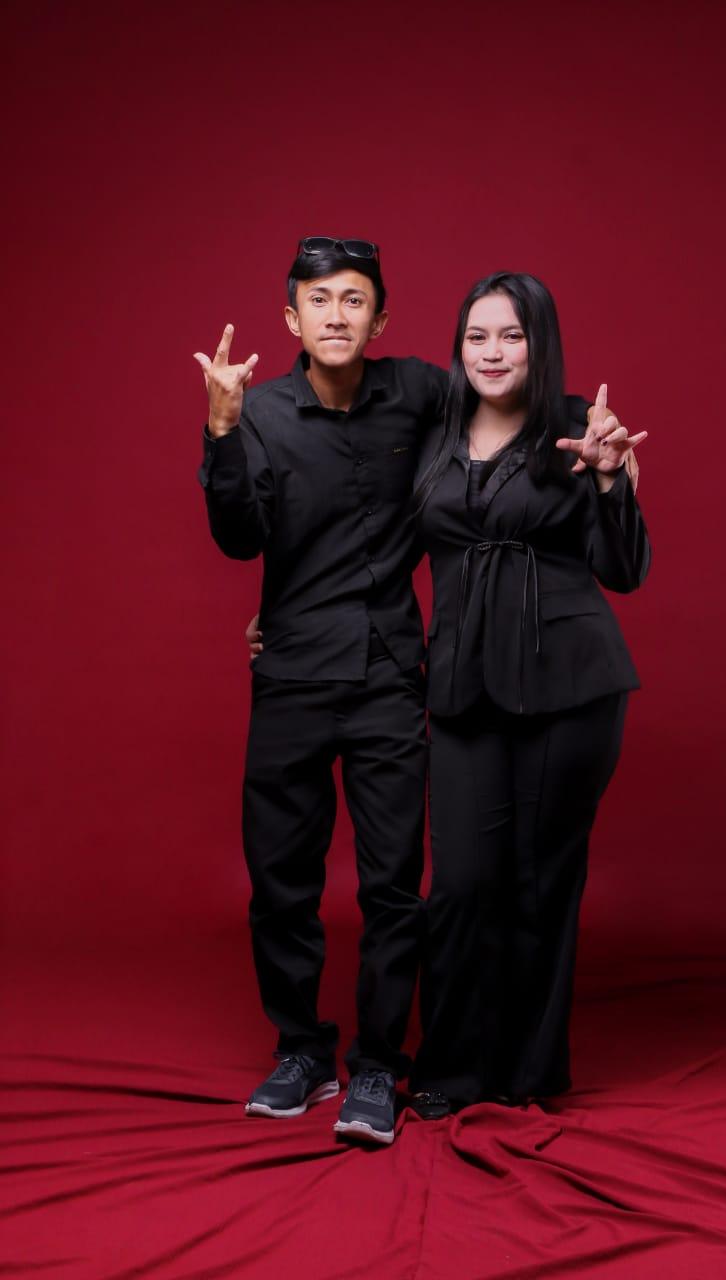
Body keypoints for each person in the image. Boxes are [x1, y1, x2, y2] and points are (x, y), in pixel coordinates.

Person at [194, 238, 446, 1145]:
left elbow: (507, 401)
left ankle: (378, 1063)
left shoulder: (419, 391)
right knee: (280, 882)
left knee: (392, 885)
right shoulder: (257, 410)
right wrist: (221, 430)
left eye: (353, 300)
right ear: (290, 318)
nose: (335, 315)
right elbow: (238, 539)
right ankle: (302, 1050)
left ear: (378, 318)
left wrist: (589, 431)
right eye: (318, 300)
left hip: (387, 674)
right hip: (292, 673)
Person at [405, 272, 651, 1115]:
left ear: (538, 345)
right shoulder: (433, 434)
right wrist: (292, 615)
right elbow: (377, 548)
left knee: (540, 882)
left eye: (511, 335)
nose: (492, 352)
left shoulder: (580, 428)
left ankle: (529, 1072)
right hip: (463, 683)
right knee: (462, 881)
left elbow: (624, 570)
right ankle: (451, 1069)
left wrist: (611, 480)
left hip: (569, 686)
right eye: (477, 335)